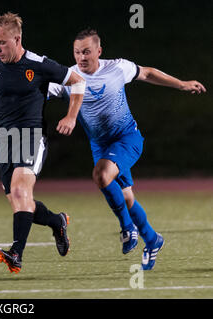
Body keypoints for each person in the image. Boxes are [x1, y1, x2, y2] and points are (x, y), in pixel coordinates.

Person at [47, 29, 206, 270]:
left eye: (87, 51)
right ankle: (152, 240)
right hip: (100, 145)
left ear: (99, 51)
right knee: (127, 196)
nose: (81, 57)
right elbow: (37, 91)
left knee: (101, 175)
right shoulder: (69, 78)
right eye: (77, 52)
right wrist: (5, 93)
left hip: (127, 137)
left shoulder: (117, 68)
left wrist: (182, 84)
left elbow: (148, 73)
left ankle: (127, 227)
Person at [0, 12, 86, 273]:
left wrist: (71, 117)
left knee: (20, 193)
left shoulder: (38, 64)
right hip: (4, 141)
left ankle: (16, 254)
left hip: (32, 136)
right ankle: (57, 221)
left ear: (17, 39)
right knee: (21, 202)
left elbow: (78, 82)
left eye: (2, 43)